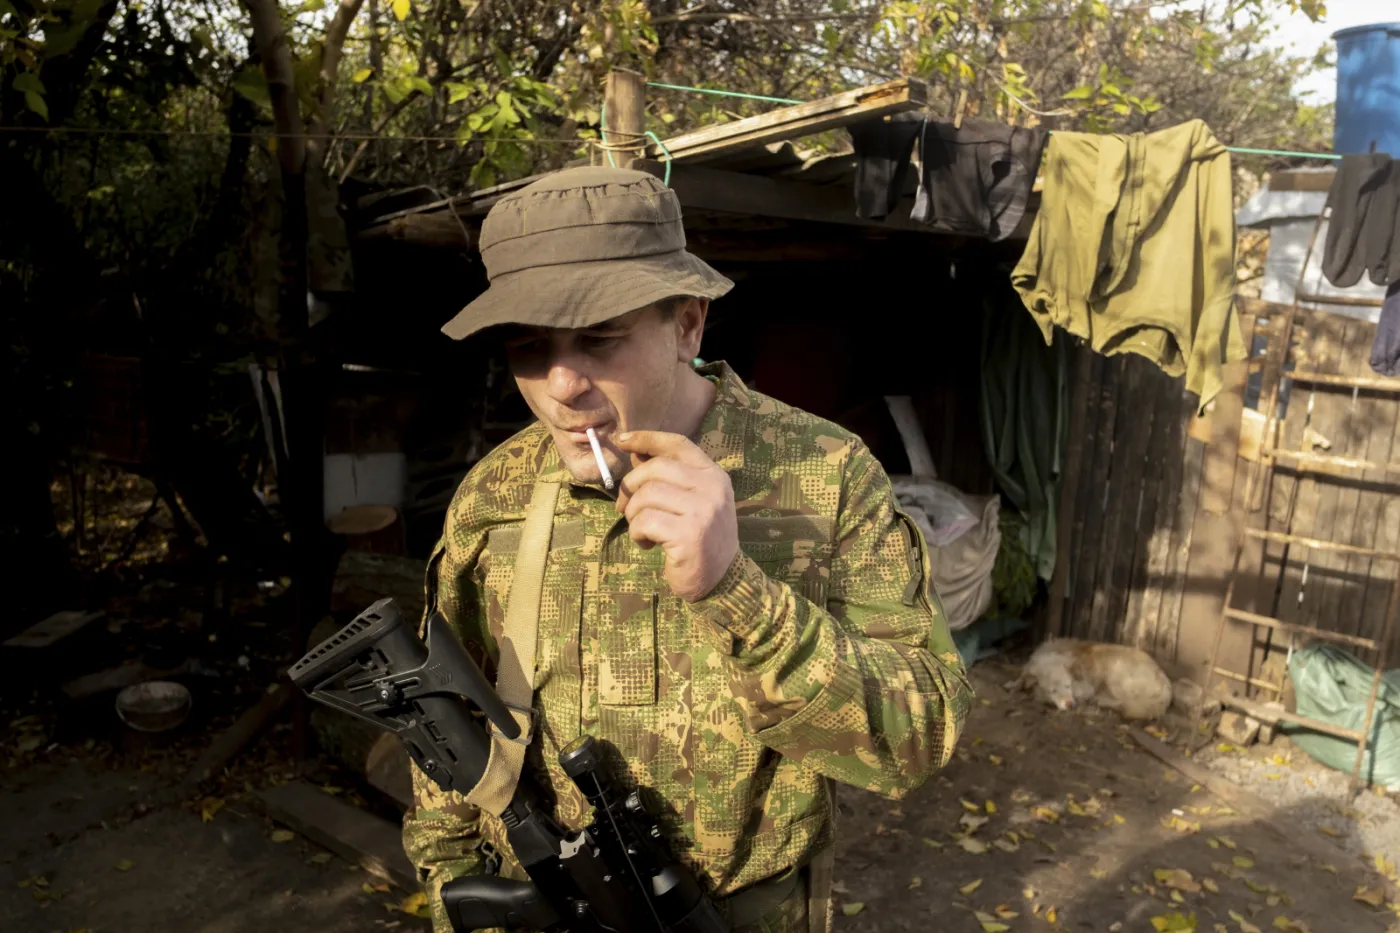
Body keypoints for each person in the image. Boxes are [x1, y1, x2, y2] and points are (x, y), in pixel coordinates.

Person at [403, 166, 973, 933]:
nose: (561, 384)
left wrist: (738, 592)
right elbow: (446, 719)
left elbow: (922, 735)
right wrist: (451, 893)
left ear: (689, 325)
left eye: (600, 337)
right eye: (530, 348)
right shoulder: (494, 494)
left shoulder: (825, 475)